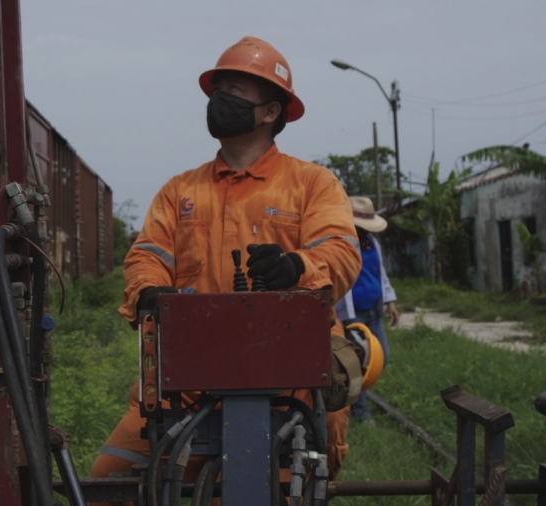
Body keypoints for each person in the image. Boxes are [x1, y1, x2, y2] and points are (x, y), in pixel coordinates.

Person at [90, 36, 363, 491]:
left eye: (234, 91)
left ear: (270, 111)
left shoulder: (312, 183)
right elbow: (147, 255)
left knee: (267, 491)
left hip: (286, 383)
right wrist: (149, 291)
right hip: (188, 381)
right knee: (108, 483)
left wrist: (296, 267)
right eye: (217, 91)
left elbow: (340, 250)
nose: (219, 100)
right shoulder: (180, 191)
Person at [334, 196, 400, 424]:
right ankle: (360, 413)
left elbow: (380, 274)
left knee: (382, 358)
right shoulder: (341, 243)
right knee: (357, 364)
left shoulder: (372, 243)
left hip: (373, 312)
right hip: (353, 315)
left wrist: (390, 301)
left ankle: (357, 401)